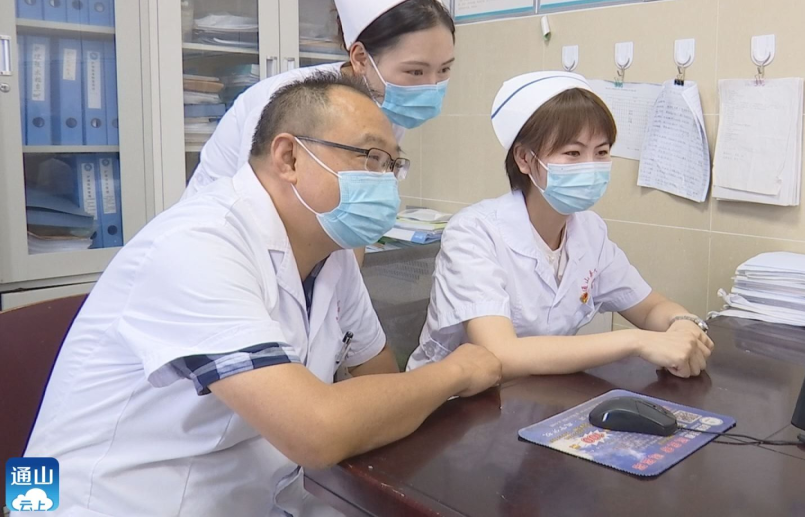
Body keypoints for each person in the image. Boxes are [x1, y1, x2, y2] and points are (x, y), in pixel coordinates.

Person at [25, 73, 501, 517]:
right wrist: (455, 370)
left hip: (259, 496)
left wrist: (369, 406)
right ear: (289, 157)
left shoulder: (330, 252)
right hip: (111, 502)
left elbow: (380, 383)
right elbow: (316, 430)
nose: (385, 181)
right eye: (370, 157)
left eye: (392, 165)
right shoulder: (196, 243)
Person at [407, 71, 714, 379]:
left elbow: (649, 307)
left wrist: (683, 323)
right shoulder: (473, 232)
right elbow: (500, 354)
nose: (590, 166)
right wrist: (636, 341)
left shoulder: (589, 231)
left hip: (537, 393)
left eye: (601, 152)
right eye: (573, 153)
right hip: (454, 400)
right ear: (525, 159)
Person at [185, 0, 455, 197]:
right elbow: (261, 202)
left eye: (444, 69)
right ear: (361, 58)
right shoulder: (292, 101)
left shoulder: (387, 104)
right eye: (415, 72)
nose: (431, 86)